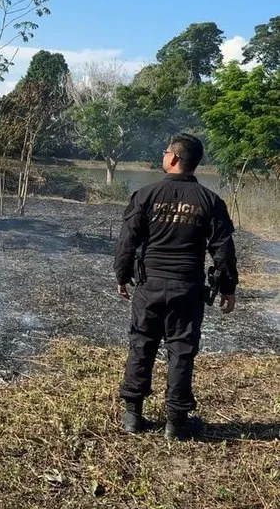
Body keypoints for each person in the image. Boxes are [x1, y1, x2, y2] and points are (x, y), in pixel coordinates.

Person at [114, 133, 238, 440]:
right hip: (188, 288)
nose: (164, 155)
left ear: (174, 158)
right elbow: (223, 249)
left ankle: (132, 416)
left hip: (150, 286)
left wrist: (122, 276)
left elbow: (127, 242)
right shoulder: (210, 201)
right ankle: (176, 422)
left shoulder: (146, 195)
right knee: (181, 351)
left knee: (142, 344)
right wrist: (228, 287)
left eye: (166, 151)